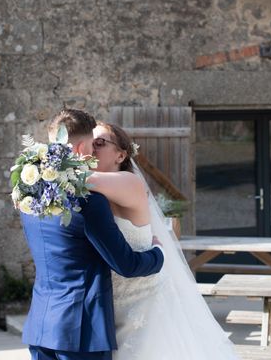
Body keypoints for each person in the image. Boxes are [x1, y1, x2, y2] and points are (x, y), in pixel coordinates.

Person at [20, 109, 165, 360]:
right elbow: (127, 265)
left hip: (42, 324)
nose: (93, 152)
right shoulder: (88, 201)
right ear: (79, 149)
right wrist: (159, 255)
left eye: (102, 144)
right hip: (82, 329)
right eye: (92, 144)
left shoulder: (30, 192)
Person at [89, 121, 239, 359]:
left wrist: (47, 166)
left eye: (100, 142)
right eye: (89, 142)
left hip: (144, 301)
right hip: (110, 301)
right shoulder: (92, 193)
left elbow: (80, 178)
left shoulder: (129, 182)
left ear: (121, 154)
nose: (92, 147)